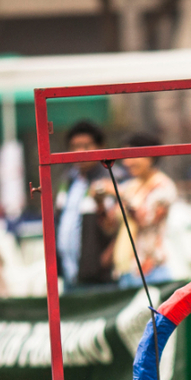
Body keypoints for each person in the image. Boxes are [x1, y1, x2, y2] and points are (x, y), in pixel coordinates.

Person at [93, 133, 177, 288]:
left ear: (149, 156)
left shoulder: (164, 186)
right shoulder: (131, 186)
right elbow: (109, 226)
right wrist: (99, 203)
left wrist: (117, 192)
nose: (126, 162)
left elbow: (145, 219)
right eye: (124, 157)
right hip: (125, 271)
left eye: (131, 156)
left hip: (151, 270)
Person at [55, 120, 118, 291]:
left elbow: (120, 226)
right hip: (69, 274)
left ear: (100, 147)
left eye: (86, 146)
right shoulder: (68, 181)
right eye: (74, 146)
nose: (79, 152)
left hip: (99, 279)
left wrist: (109, 256)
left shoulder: (111, 180)